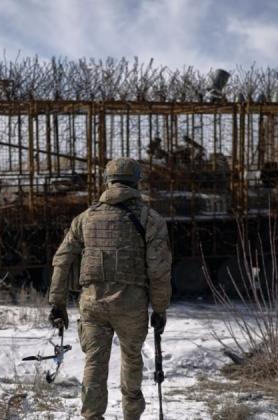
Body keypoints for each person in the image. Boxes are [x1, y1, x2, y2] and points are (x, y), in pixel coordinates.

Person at [48, 157, 172, 420]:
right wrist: (160, 309)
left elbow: (62, 259)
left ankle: (92, 416)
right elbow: (159, 269)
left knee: (94, 362)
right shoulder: (151, 219)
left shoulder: (85, 218)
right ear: (137, 182)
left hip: (93, 303)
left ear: (107, 181)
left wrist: (57, 303)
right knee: (132, 359)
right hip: (131, 304)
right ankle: (131, 415)